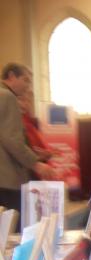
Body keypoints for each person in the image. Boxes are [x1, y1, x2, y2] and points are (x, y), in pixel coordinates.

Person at [0, 62, 55, 215]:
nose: (28, 86)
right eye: (25, 80)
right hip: (8, 180)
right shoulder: (7, 97)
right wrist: (36, 164)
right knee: (13, 231)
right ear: (11, 76)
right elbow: (12, 139)